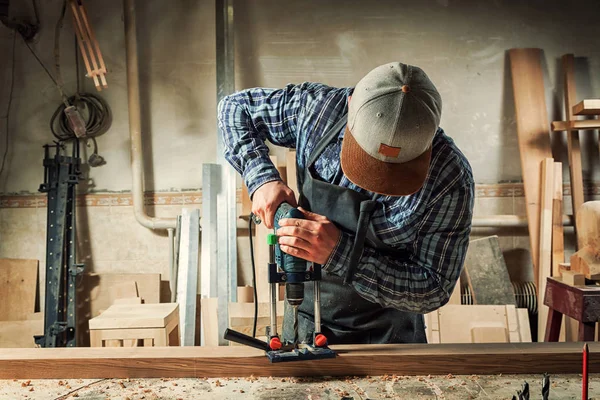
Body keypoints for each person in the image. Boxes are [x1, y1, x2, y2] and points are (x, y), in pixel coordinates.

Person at [217, 62, 474, 344]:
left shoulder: (449, 177)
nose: (377, 181)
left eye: (396, 170)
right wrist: (262, 179)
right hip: (306, 318)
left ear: (429, 138)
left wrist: (340, 253)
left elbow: (434, 287)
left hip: (390, 335)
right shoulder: (317, 111)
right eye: (367, 160)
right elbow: (234, 108)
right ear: (351, 104)